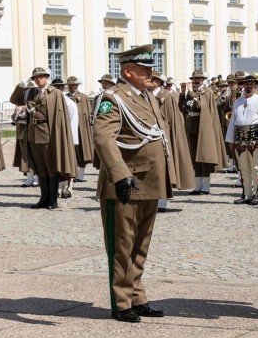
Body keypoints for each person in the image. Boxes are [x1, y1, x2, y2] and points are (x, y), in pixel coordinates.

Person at [93, 44, 175, 323]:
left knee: (141, 243)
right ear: (128, 71)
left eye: (151, 68)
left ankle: (137, 296)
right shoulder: (113, 98)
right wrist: (119, 173)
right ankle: (121, 301)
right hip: (125, 183)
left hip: (150, 181)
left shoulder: (147, 96)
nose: (151, 73)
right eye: (144, 69)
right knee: (122, 245)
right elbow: (104, 138)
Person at [9, 67, 76, 209]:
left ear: (47, 77)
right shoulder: (30, 92)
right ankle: (43, 198)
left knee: (51, 167)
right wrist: (22, 85)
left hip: (49, 133)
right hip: (33, 133)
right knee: (40, 168)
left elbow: (65, 112)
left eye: (41, 76)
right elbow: (14, 99)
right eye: (36, 77)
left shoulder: (55, 93)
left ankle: (53, 200)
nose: (39, 79)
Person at [151, 72, 194, 212]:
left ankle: (162, 201)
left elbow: (170, 120)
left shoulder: (166, 97)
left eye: (153, 80)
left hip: (163, 136)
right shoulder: (145, 96)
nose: (150, 82)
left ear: (159, 82)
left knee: (164, 169)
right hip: (149, 137)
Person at [180, 69, 227, 194]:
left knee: (204, 155)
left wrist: (191, 94)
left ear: (203, 80)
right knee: (194, 155)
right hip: (192, 124)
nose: (196, 81)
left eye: (198, 79)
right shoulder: (191, 92)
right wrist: (183, 93)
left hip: (203, 125)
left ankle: (206, 185)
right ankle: (197, 184)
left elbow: (202, 106)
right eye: (194, 79)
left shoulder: (207, 91)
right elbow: (182, 107)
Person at [225, 73, 258, 205]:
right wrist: (230, 139)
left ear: (256, 86)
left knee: (255, 167)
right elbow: (232, 121)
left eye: (251, 84)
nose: (249, 86)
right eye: (246, 84)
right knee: (243, 167)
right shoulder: (238, 102)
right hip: (240, 138)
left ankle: (257, 194)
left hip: (254, 137)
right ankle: (246, 194)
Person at [65, 76, 95, 183]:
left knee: (82, 150)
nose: (71, 87)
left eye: (73, 85)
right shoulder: (65, 97)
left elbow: (88, 112)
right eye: (69, 85)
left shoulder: (83, 97)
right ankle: (72, 174)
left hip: (81, 128)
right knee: (72, 151)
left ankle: (80, 175)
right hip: (70, 128)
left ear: (77, 85)